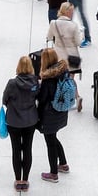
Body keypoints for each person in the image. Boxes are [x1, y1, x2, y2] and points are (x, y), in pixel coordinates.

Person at [2, 56, 39, 192]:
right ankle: (26, 179)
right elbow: (37, 97)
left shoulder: (12, 83)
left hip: (14, 121)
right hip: (30, 121)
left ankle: (18, 180)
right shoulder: (35, 82)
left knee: (16, 150)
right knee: (28, 149)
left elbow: (4, 99)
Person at [37, 48, 70, 183]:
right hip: (61, 112)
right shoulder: (63, 72)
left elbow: (42, 98)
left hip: (49, 115)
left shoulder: (48, 79)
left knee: (50, 142)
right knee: (54, 138)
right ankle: (63, 164)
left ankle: (53, 173)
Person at [48, 2, 83, 109]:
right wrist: (81, 35)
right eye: (71, 11)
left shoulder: (53, 23)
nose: (72, 13)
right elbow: (78, 42)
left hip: (58, 55)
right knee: (71, 80)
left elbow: (49, 37)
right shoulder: (74, 25)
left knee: (59, 79)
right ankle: (76, 97)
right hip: (72, 56)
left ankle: (62, 98)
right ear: (67, 11)